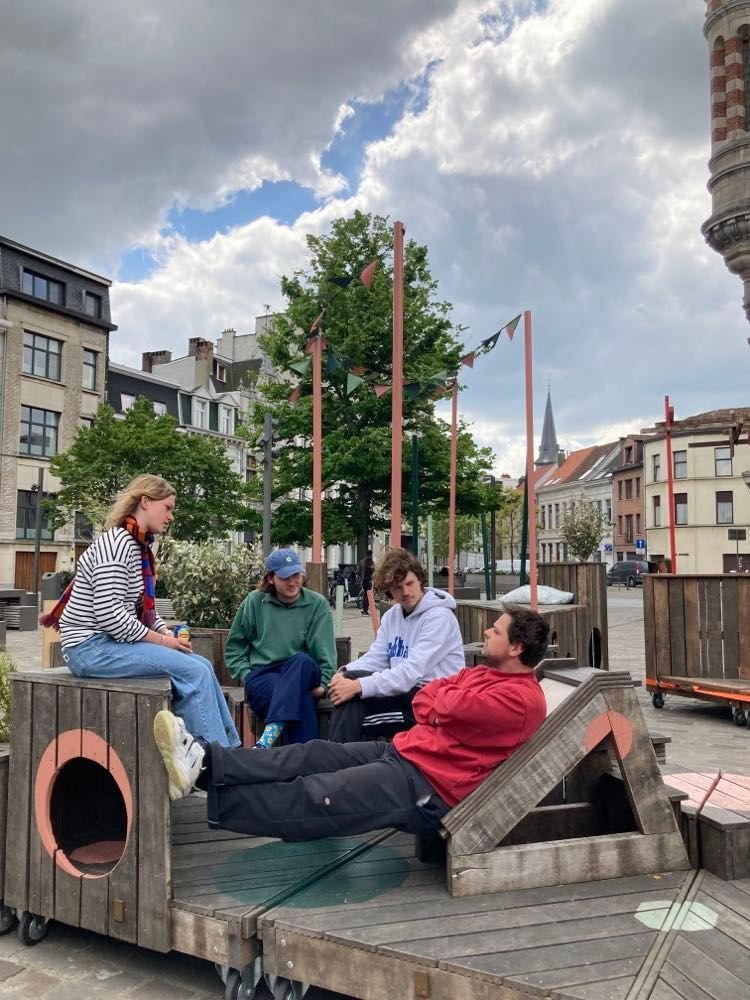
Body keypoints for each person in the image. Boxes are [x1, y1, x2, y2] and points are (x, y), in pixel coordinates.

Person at [153, 605, 550, 838]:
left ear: (515, 647)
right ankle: (206, 762)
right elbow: (426, 700)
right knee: (311, 754)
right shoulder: (485, 674)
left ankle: (214, 799)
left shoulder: (519, 700)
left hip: (428, 786)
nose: (486, 631)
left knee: (318, 793)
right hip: (406, 753)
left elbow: (440, 705)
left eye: (495, 631)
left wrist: (440, 705)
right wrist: (440, 704)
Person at [43, 474, 240, 782]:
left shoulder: (137, 546)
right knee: (194, 672)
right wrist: (163, 642)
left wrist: (168, 633)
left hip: (106, 644)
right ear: (145, 502)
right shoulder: (119, 545)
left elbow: (141, 612)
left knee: (200, 663)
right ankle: (215, 767)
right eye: (168, 508)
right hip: (90, 648)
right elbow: (110, 615)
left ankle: (231, 753)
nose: (171, 516)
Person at [326, 548, 465, 743]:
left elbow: (411, 671)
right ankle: (338, 761)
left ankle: (335, 761)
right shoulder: (392, 616)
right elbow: (377, 658)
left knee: (355, 720)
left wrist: (358, 685)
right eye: (398, 588)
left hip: (433, 702)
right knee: (350, 693)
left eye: (409, 584)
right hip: (404, 694)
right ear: (389, 589)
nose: (406, 592)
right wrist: (344, 672)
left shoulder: (439, 618)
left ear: (420, 580)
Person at [223, 549, 337, 748]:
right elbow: (235, 647)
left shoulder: (317, 604)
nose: (293, 582)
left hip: (302, 671)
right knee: (301, 699)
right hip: (264, 676)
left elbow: (325, 651)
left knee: (301, 661)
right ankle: (309, 765)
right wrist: (246, 675)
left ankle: (270, 735)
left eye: (296, 575)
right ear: (271, 578)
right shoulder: (254, 602)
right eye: (285, 577)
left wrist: (324, 685)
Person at [358, 549, 375, 615]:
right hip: (369, 581)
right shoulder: (371, 562)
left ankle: (364, 608)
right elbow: (374, 571)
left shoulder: (361, 562)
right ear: (371, 554)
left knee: (365, 594)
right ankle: (365, 609)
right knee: (367, 595)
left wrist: (361, 578)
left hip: (364, 581)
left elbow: (358, 571)